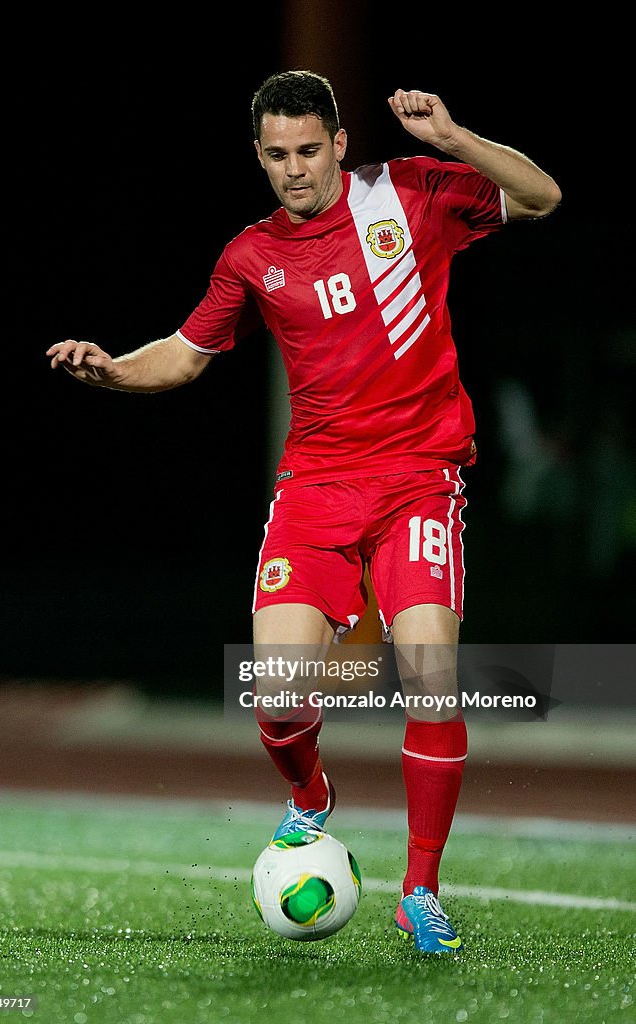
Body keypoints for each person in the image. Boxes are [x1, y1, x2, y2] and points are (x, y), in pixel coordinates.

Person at [46, 71, 561, 954]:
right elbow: (182, 354)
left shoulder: (408, 192)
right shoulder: (250, 255)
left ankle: (419, 889)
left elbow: (541, 196)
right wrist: (111, 370)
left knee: (430, 673)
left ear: (337, 143)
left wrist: (454, 138)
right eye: (277, 155)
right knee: (278, 697)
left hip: (416, 476)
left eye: (308, 151)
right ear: (259, 155)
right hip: (316, 489)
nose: (294, 170)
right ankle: (311, 794)